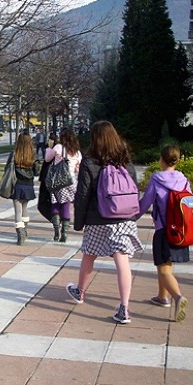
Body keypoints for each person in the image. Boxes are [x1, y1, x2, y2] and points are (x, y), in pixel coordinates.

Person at [66, 120, 143, 324]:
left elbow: (82, 194)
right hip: (124, 217)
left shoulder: (90, 162)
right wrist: (133, 215)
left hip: (98, 218)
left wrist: (79, 221)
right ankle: (124, 308)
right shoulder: (126, 161)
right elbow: (134, 188)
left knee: (89, 255)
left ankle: (80, 292)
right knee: (122, 260)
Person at [137, 145, 193, 322]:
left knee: (163, 269)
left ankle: (178, 297)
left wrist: (130, 217)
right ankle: (162, 297)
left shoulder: (156, 179)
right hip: (181, 230)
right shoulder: (183, 180)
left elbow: (145, 203)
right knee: (166, 266)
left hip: (164, 230)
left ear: (161, 159)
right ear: (177, 161)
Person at [44, 128, 82, 242]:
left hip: (57, 181)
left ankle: (56, 231)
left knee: (55, 204)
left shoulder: (58, 148)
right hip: (71, 182)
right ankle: (64, 232)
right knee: (66, 205)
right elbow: (78, 168)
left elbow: (47, 159)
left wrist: (49, 147)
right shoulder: (77, 152)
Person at [8, 132, 37, 245]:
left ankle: (20, 235)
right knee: (25, 208)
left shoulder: (15, 154)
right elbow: (36, 171)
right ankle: (24, 230)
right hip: (28, 185)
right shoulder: (32, 155)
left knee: (18, 211)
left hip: (17, 184)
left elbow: (8, 169)